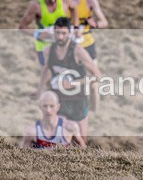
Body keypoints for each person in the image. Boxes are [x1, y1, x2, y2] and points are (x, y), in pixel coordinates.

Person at [37, 17, 101, 146]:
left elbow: (97, 76)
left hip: (78, 100)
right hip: (59, 101)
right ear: (53, 32)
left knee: (81, 141)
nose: (60, 37)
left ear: (70, 33)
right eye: (57, 33)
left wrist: (74, 84)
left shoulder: (78, 51)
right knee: (58, 140)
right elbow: (46, 70)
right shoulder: (49, 50)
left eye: (63, 33)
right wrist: (40, 89)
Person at [64, 0, 107, 111]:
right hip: (70, 47)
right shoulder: (64, 1)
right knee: (69, 82)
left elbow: (104, 22)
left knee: (94, 83)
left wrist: (92, 25)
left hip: (87, 44)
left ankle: (95, 113)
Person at [18, 0, 78, 65]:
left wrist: (76, 27)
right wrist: (38, 34)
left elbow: (74, 9)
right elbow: (22, 27)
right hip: (44, 47)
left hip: (63, 45)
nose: (53, 0)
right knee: (47, 74)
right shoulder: (36, 6)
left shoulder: (65, 0)